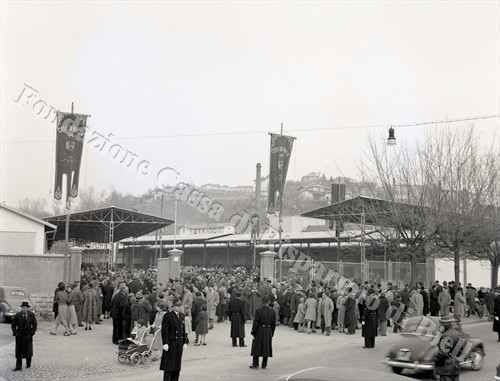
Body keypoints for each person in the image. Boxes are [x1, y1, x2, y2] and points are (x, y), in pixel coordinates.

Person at [160, 299, 189, 381]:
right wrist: (165, 343)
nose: (179, 308)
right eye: (177, 306)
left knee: (177, 365)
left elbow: (183, 330)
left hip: (179, 343)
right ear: (173, 307)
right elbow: (165, 330)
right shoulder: (167, 316)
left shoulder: (182, 315)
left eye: (180, 306)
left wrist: (185, 341)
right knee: (169, 365)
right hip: (171, 343)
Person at [249, 295, 276, 370]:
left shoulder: (258, 311)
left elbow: (256, 323)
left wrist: (253, 332)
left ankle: (255, 363)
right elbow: (274, 324)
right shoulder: (272, 312)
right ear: (268, 302)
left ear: (262, 302)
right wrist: (272, 333)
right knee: (266, 347)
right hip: (268, 330)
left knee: (256, 346)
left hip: (260, 329)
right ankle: (264, 364)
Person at [11, 301, 37, 371]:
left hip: (28, 335)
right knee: (19, 351)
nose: (23, 309)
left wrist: (32, 332)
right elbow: (13, 325)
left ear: (27, 308)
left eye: (25, 308)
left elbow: (35, 324)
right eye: (22, 308)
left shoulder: (31, 315)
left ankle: (28, 364)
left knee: (28, 350)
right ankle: (18, 366)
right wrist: (15, 332)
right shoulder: (17, 316)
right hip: (20, 335)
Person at [434, 316, 462, 381]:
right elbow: (461, 350)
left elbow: (443, 354)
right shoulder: (457, 333)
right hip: (455, 366)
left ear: (444, 325)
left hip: (446, 368)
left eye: (440, 324)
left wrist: (436, 361)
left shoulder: (445, 336)